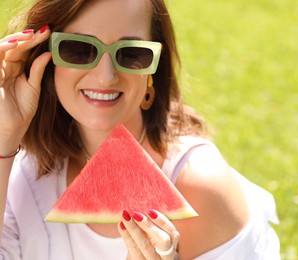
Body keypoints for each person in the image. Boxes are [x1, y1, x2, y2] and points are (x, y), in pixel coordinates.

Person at [0, 0, 280, 259]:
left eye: (131, 53)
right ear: (47, 59)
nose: (105, 76)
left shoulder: (201, 189)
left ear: (152, 72)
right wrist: (5, 135)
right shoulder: (22, 170)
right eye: (79, 49)